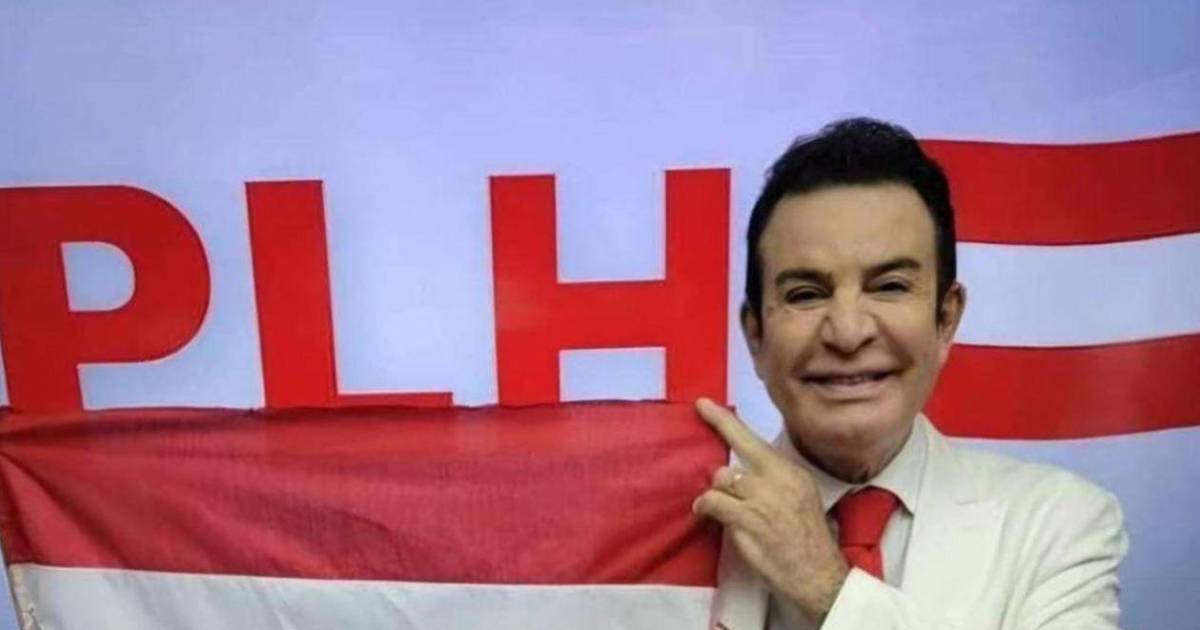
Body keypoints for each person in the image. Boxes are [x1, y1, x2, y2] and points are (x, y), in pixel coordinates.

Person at [692, 118, 1127, 630]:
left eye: (890, 286)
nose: (848, 333)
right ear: (755, 336)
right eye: (806, 294)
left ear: (946, 319)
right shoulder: (681, 533)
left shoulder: (1058, 522)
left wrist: (827, 586)